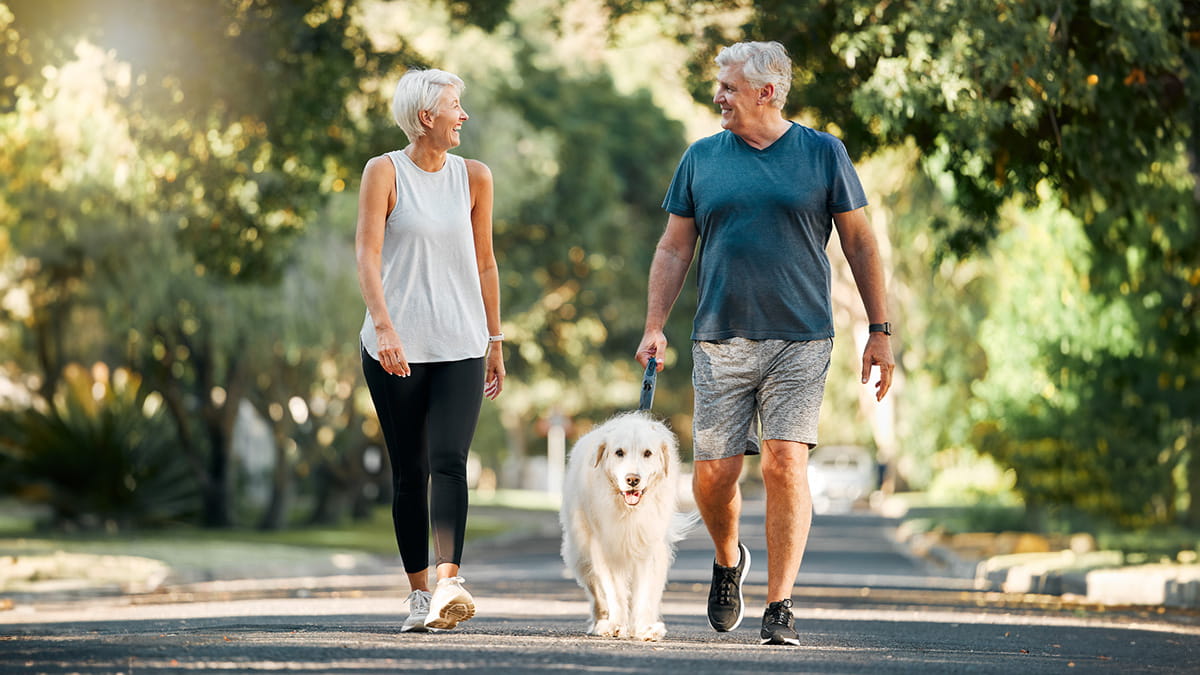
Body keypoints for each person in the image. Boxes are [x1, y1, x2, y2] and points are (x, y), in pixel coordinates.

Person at [635, 41, 895, 646]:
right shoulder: (701, 158)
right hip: (719, 335)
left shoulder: (823, 153)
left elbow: (860, 243)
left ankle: (780, 604)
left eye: (728, 87)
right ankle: (729, 561)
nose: (718, 96)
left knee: (785, 461)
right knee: (713, 476)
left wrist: (879, 331)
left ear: (766, 92)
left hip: (801, 335)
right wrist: (655, 325)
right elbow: (675, 249)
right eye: (719, 86)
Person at [356, 68, 505, 633]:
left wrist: (494, 339)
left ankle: (448, 584)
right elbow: (368, 256)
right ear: (426, 117)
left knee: (449, 462)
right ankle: (419, 593)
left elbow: (486, 262)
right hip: (395, 346)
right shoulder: (383, 172)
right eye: (454, 106)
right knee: (409, 469)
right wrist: (385, 327)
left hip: (461, 342)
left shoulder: (475, 177)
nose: (463, 115)